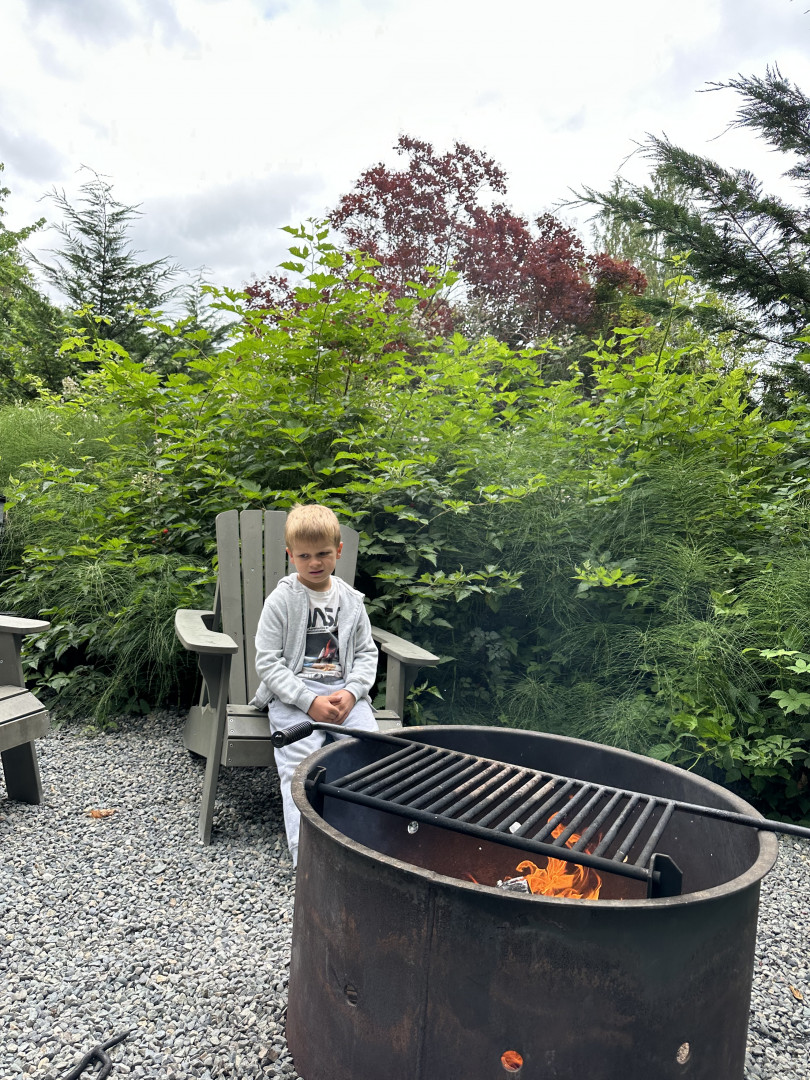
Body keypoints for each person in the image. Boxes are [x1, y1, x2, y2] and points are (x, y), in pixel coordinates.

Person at [250, 504, 378, 868]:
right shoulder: (281, 601)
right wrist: (308, 701)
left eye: (323, 553)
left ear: (339, 551)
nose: (314, 562)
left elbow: (366, 654)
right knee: (299, 765)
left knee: (371, 754)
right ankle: (306, 859)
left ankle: (366, 846)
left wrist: (352, 692)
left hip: (343, 694)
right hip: (293, 696)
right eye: (304, 556)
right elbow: (268, 662)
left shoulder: (351, 601)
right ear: (290, 556)